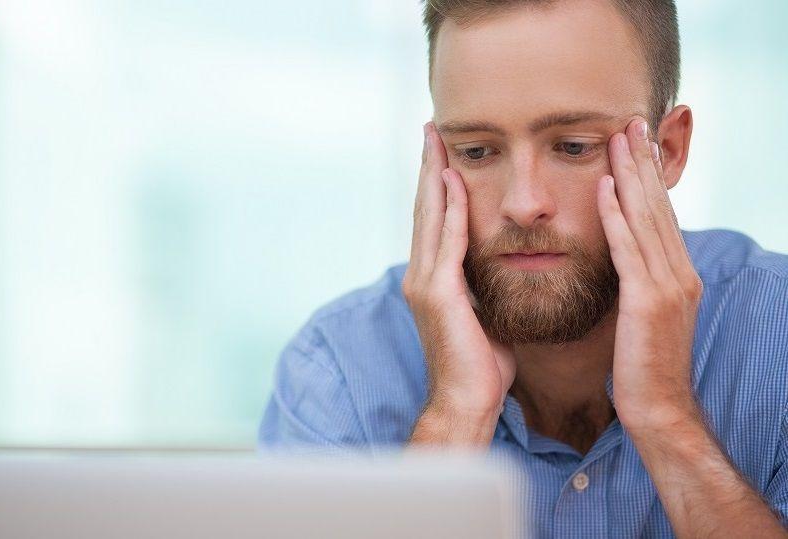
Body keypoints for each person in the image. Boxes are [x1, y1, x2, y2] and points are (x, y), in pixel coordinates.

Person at [258, 0, 788, 536]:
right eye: (476, 151)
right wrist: (455, 417)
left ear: (668, 151)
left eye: (574, 147)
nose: (523, 203)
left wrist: (666, 417)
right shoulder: (338, 367)